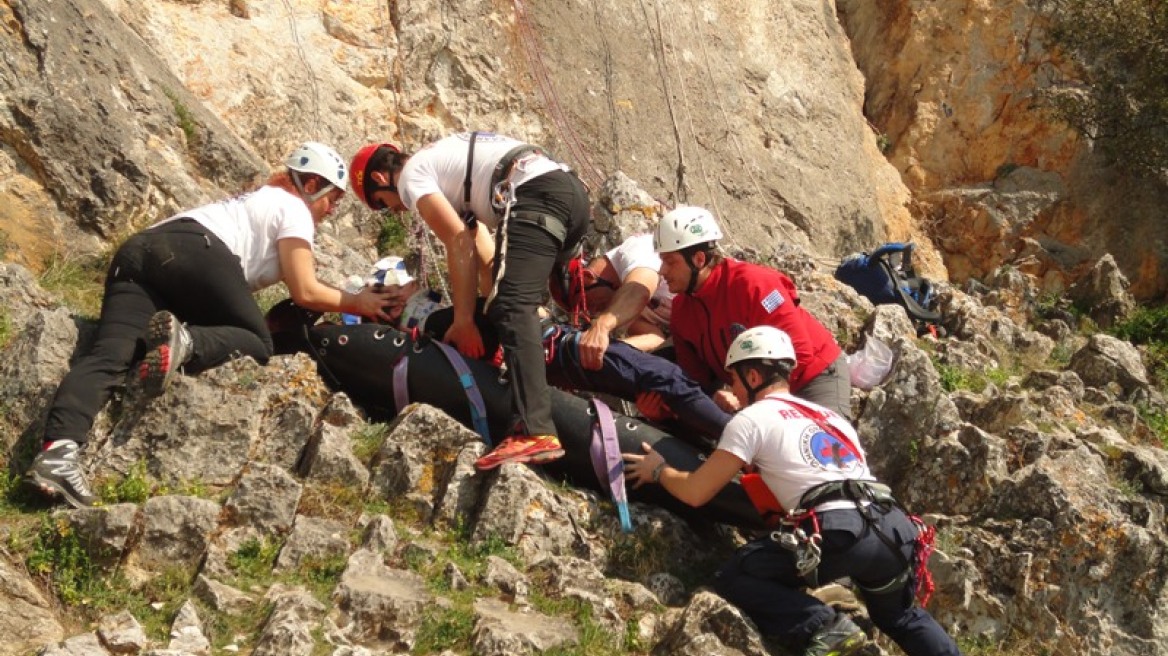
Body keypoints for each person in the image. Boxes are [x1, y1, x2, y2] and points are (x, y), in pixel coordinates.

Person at [27, 142, 396, 508]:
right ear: (312, 184)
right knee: (257, 342)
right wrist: (359, 302)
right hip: (199, 252)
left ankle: (58, 453)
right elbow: (305, 290)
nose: (332, 210)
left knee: (111, 356)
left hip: (141, 253)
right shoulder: (294, 207)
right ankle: (186, 342)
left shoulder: (256, 202)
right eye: (334, 198)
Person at [622, 326, 961, 656]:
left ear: (753, 377)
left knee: (736, 576)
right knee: (900, 617)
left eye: (735, 380)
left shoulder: (752, 419)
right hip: (894, 527)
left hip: (839, 530)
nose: (733, 391)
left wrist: (659, 471)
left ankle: (824, 626)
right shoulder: (831, 418)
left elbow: (696, 492)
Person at [349, 132, 591, 471]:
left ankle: (535, 430)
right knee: (507, 306)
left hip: (535, 194)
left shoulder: (412, 176)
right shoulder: (447, 167)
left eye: (380, 203)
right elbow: (487, 259)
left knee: (510, 306)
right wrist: (501, 319)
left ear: (379, 178)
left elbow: (458, 242)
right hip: (568, 194)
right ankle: (541, 393)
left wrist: (464, 322)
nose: (394, 210)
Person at [654, 206, 852, 419]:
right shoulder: (682, 311)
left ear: (699, 260)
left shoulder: (753, 285)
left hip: (812, 376)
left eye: (670, 261)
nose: (662, 271)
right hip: (754, 393)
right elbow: (695, 379)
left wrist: (746, 397)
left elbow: (799, 353)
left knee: (827, 446)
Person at [551, 233, 674, 363]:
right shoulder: (621, 308)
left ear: (588, 277)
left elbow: (639, 290)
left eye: (588, 303)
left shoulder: (634, 248)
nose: (594, 312)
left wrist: (601, 326)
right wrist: (605, 350)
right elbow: (655, 340)